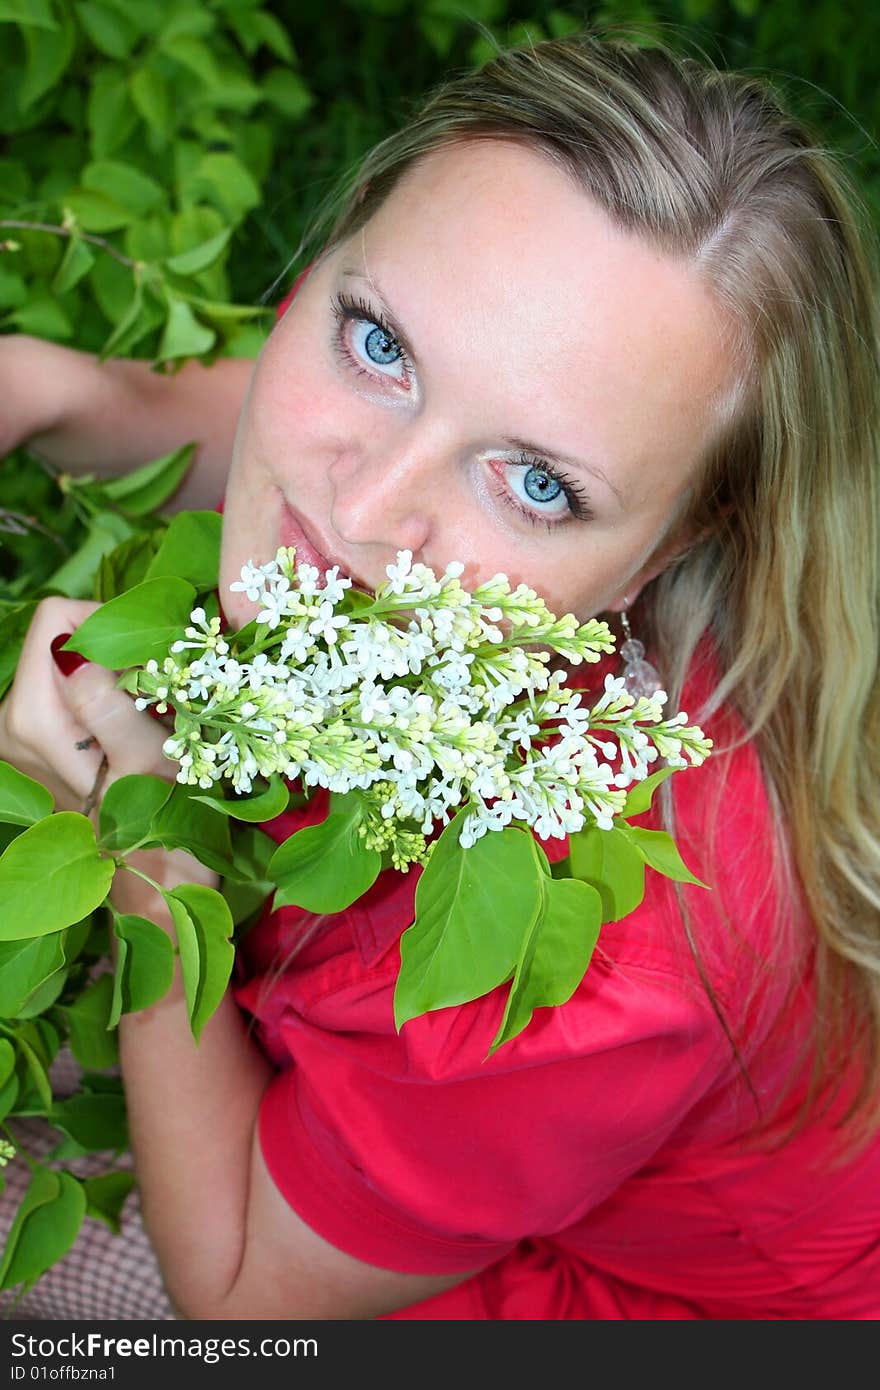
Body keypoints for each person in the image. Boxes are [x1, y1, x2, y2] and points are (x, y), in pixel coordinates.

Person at [0, 31, 878, 1321]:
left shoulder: (600, 977)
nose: (365, 510)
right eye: (379, 343)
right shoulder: (515, 533)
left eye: (535, 485)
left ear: (666, 554)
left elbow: (248, 1305)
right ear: (333, 260)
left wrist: (146, 841)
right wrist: (69, 391)